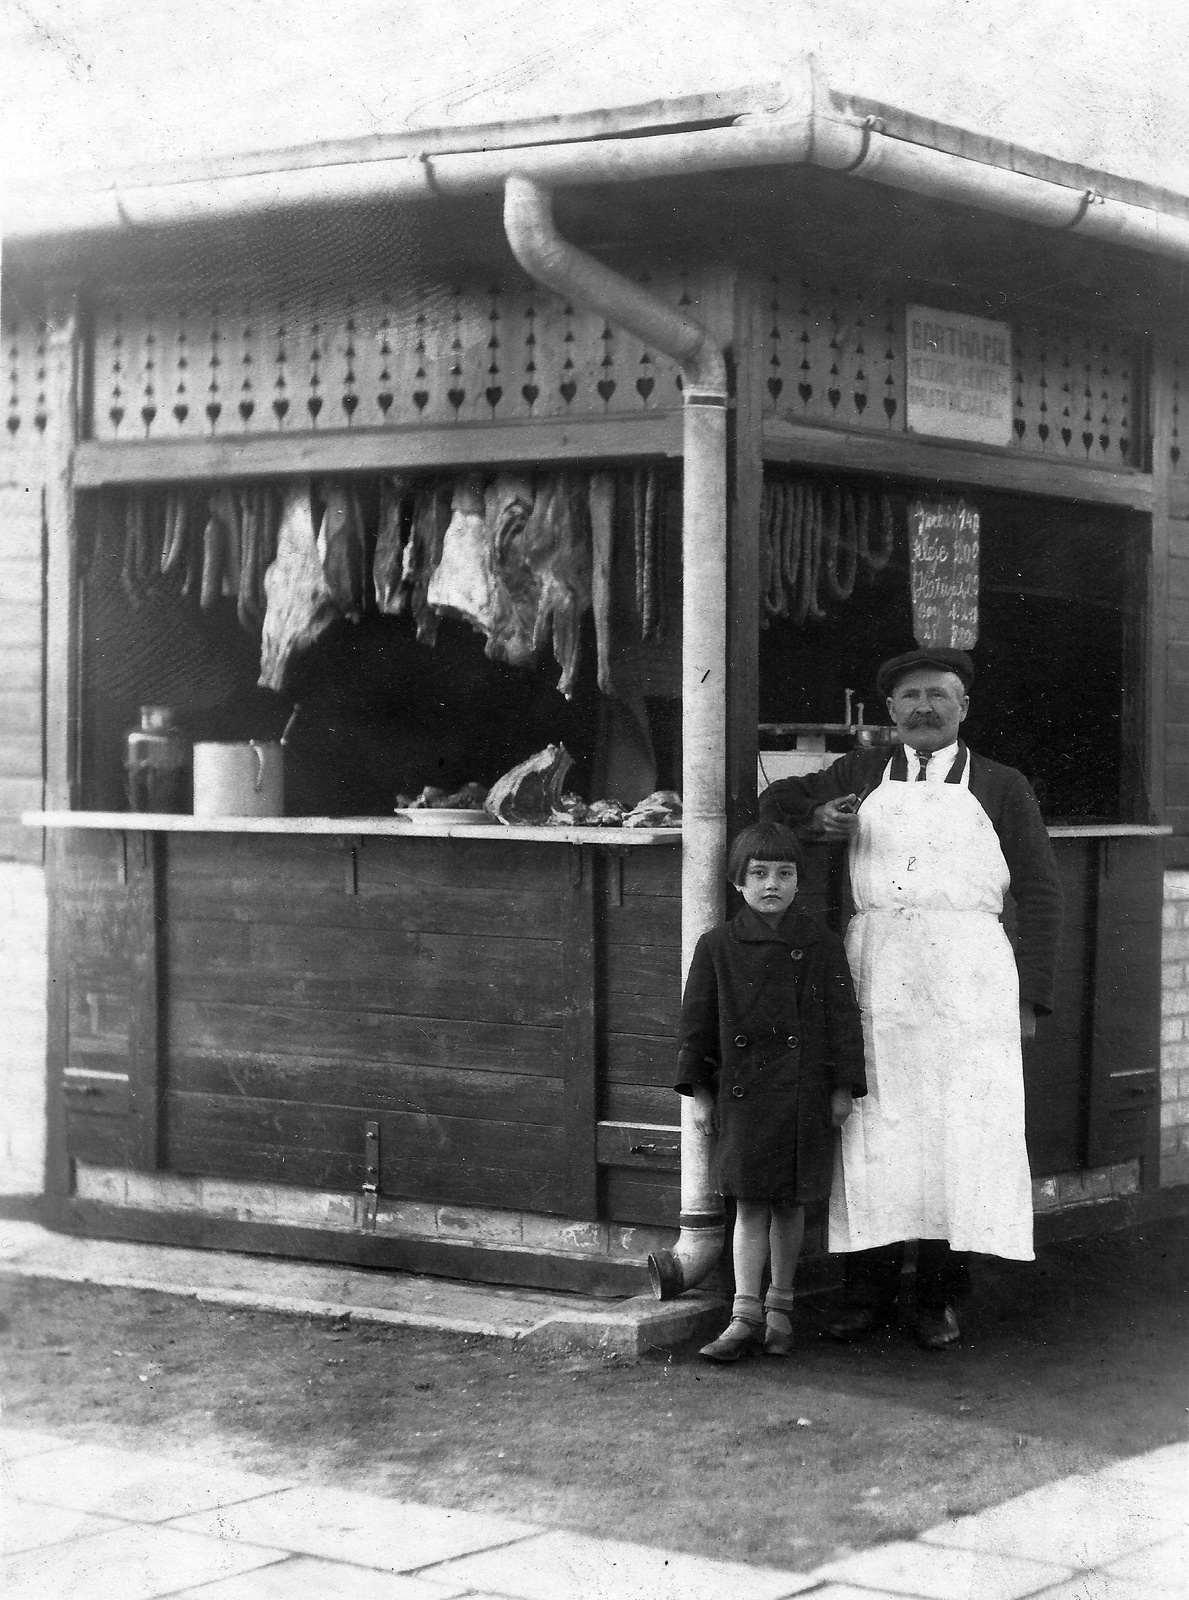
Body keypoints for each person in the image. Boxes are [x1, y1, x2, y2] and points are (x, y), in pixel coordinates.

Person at [759, 647, 1062, 1349]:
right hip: (879, 971)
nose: (923, 708)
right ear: (888, 712)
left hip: (968, 978)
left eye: (939, 696)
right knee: (875, 1130)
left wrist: (1029, 998)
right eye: (909, 698)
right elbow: (774, 800)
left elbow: (1041, 893)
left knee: (958, 1134)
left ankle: (938, 1299)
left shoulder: (1000, 784)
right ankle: (864, 1297)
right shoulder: (859, 772)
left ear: (963, 709)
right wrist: (815, 821)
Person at [675, 821, 867, 1362]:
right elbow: (696, 1027)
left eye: (784, 873)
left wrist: (842, 1088)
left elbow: (842, 1022)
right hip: (744, 1094)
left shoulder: (822, 945)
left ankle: (781, 1309)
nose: (771, 885)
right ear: (738, 882)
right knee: (750, 1204)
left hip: (804, 1095)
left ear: (799, 881)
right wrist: (701, 1093)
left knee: (790, 1204)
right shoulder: (717, 946)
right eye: (758, 874)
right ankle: (743, 1315)